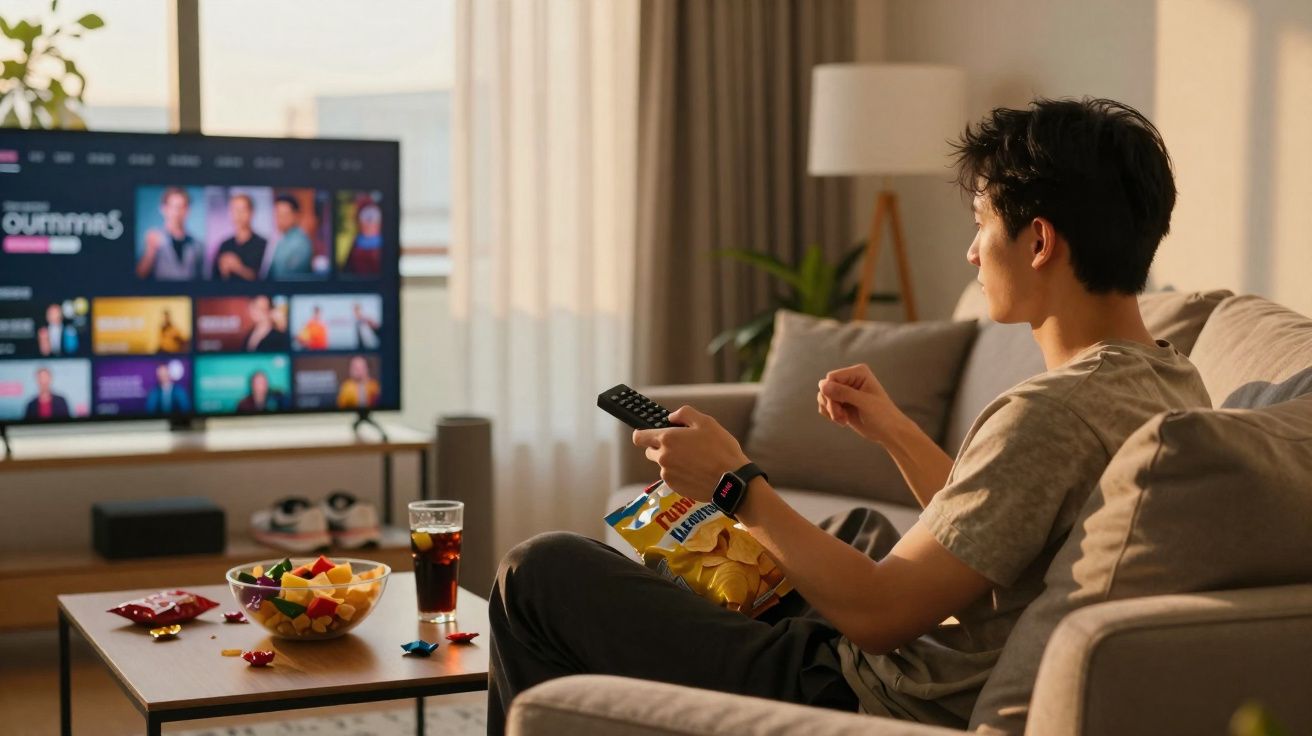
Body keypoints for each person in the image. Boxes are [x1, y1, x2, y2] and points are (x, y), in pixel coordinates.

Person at [485, 98, 1214, 734]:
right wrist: (895, 431)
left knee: (537, 575)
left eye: (980, 222)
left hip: (861, 694)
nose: (970, 251)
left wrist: (734, 483)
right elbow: (1003, 538)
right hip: (890, 660)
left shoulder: (1049, 412)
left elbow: (881, 616)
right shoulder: (1177, 384)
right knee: (853, 534)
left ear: (1040, 240)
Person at [136, 187, 202, 281]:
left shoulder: (197, 245)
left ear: (187, 210)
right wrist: (150, 252)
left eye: (181, 207)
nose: (177, 213)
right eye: (173, 207)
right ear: (163, 209)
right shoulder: (152, 238)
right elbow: (139, 275)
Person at [214, 193, 268, 282]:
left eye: (242, 210)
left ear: (251, 212)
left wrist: (238, 268)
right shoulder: (225, 245)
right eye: (234, 210)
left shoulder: (263, 245)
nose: (238, 215)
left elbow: (264, 278)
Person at [265, 194, 315, 280]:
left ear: (295, 216)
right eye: (277, 214)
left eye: (284, 214)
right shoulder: (281, 239)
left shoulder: (301, 243)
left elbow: (288, 277)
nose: (279, 218)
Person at [343, 199, 382, 275]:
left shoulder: (383, 243)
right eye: (367, 219)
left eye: (373, 219)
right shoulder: (356, 243)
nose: (370, 224)